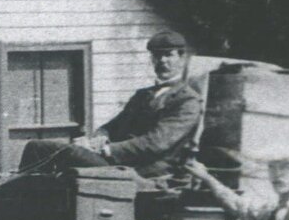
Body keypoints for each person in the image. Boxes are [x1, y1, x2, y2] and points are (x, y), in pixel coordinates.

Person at [18, 29, 204, 179]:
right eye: (156, 56)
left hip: (145, 173)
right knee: (41, 153)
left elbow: (155, 143)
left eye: (168, 55)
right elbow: (111, 126)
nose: (162, 61)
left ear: (181, 57)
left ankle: (14, 208)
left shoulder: (187, 100)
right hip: (118, 165)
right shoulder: (143, 95)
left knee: (44, 149)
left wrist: (104, 149)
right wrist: (98, 138)